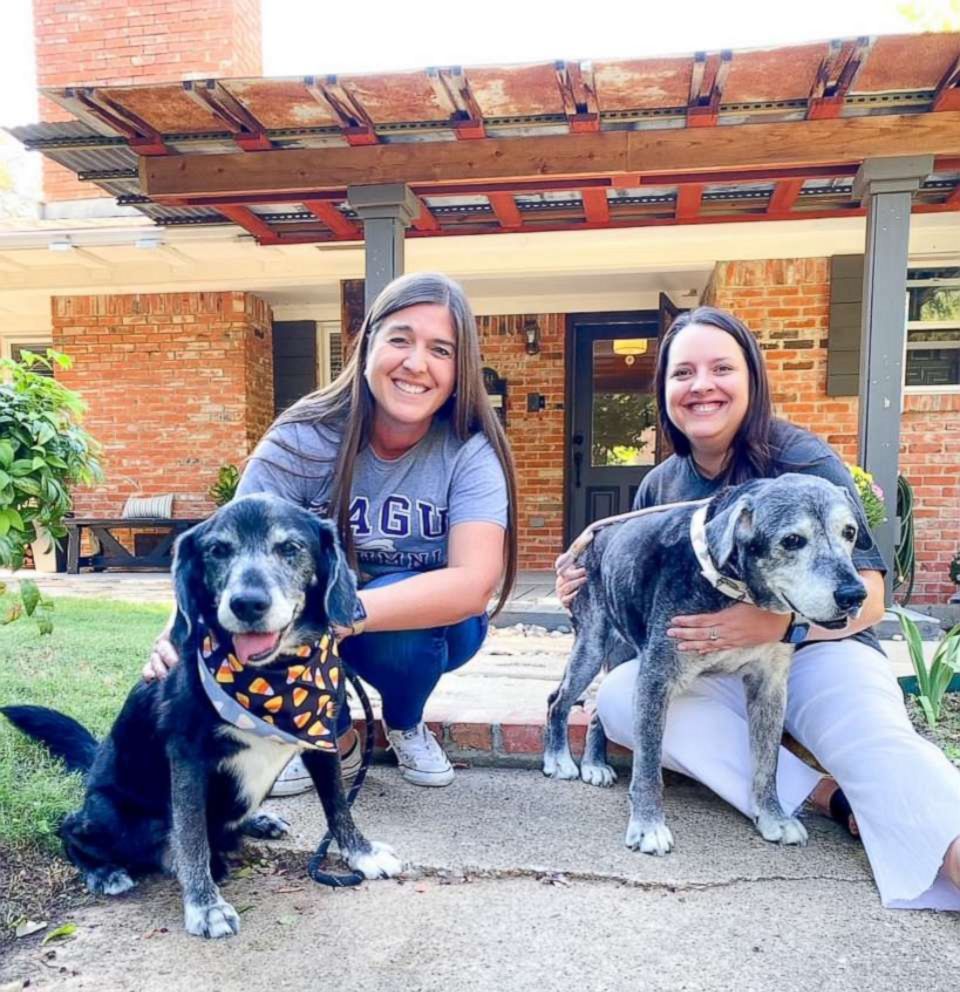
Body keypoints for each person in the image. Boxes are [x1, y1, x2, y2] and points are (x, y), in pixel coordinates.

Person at [555, 305, 960, 910]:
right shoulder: (660, 486)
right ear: (664, 389)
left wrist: (779, 623)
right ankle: (824, 796)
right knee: (619, 698)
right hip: (708, 660)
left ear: (752, 379)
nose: (702, 385)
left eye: (721, 367)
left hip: (824, 649)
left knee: (872, 739)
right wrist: (583, 579)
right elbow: (627, 576)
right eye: (682, 372)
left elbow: (869, 595)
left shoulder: (805, 464)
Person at [145, 272, 517, 792]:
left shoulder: (469, 450)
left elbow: (474, 582)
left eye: (441, 350)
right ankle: (332, 734)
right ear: (367, 345)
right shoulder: (304, 435)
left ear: (461, 370)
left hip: (428, 629)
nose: (416, 363)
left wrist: (339, 616)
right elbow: (226, 549)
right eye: (400, 339)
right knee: (261, 614)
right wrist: (176, 629)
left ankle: (405, 721)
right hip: (319, 618)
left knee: (400, 635)